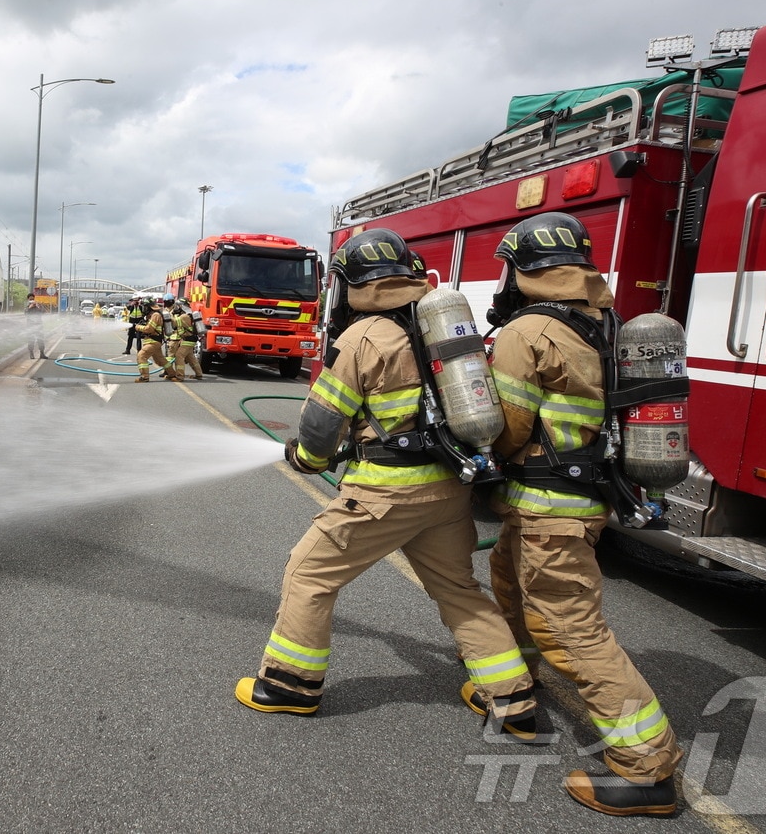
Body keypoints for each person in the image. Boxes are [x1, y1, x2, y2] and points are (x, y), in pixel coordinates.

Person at [236, 228, 539, 742]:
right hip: (447, 492)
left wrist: (307, 460)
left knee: (308, 574)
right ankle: (514, 703)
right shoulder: (442, 328)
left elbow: (321, 423)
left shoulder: (364, 337)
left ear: (353, 283)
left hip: (384, 493)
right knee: (460, 591)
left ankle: (290, 685)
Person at [481, 211, 682, 816]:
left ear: (521, 269)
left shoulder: (530, 331)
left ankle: (648, 769)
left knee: (572, 627)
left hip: (550, 506)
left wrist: (476, 452)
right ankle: (521, 684)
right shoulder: (604, 319)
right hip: (579, 497)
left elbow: (507, 428)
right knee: (508, 581)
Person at [134, 298, 178, 383]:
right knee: (160, 360)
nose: (143, 309)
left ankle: (144, 377)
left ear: (148, 307)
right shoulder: (151, 315)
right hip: (153, 341)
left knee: (141, 356)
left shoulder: (155, 315)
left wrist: (138, 327)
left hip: (153, 341)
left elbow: (149, 329)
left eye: (144, 307)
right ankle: (172, 374)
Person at [168, 300, 203, 380]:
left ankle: (180, 376)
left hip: (188, 340)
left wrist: (169, 315)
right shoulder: (188, 315)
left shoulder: (184, 316)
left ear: (182, 306)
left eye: (178, 306)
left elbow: (174, 323)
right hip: (190, 340)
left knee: (179, 356)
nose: (176, 308)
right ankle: (199, 374)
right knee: (191, 358)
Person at [24, 293, 47, 360]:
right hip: (30, 326)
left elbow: (43, 311)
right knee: (31, 340)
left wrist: (38, 306)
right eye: (30, 299)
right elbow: (25, 313)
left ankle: (42, 353)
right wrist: (30, 307)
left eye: (33, 299)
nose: (32, 300)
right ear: (28, 299)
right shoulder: (27, 306)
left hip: (39, 325)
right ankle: (31, 354)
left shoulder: (38, 304)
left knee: (40, 339)